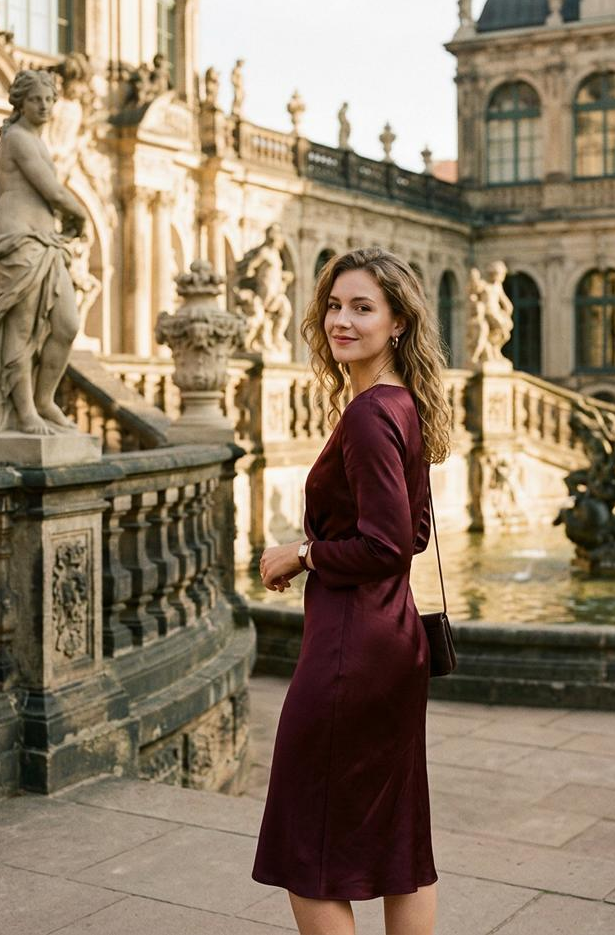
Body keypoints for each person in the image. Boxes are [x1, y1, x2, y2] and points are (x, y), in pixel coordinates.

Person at [252, 247, 452, 935]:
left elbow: (389, 543)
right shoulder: (405, 404)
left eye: (362, 307)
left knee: (302, 851)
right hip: (395, 642)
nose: (341, 319)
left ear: (397, 321)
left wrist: (301, 552)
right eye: (335, 304)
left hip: (350, 650)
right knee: (401, 848)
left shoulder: (370, 413)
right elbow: (415, 530)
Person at [0, 69, 86, 436]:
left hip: (44, 242)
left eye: (48, 99)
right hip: (17, 239)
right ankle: (23, 411)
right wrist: (80, 213)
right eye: (35, 99)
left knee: (67, 325)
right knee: (20, 329)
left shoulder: (38, 142)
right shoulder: (18, 139)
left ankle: (44, 400)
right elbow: (52, 191)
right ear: (20, 103)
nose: (43, 105)